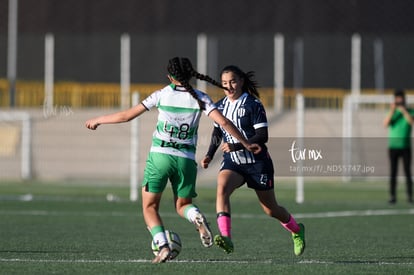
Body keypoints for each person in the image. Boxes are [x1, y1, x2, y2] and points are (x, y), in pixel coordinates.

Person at [85, 57, 260, 263]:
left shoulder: (162, 94)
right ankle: (195, 216)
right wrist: (246, 143)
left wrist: (98, 120)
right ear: (191, 74)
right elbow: (224, 122)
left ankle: (163, 245)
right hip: (185, 160)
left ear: (169, 76)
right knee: (183, 204)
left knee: (150, 207)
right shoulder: (201, 97)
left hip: (160, 157)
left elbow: (127, 116)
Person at [200, 65, 306, 256]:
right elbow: (218, 131)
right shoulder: (220, 106)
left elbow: (262, 135)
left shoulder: (253, 104)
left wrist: (238, 145)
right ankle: (226, 238)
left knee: (271, 209)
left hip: (258, 163)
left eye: (232, 81)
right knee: (222, 187)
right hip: (233, 162)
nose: (229, 86)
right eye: (224, 83)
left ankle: (297, 230)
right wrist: (209, 154)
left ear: (241, 81)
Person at [383, 89, 414, 204]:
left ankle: (410, 196)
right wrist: (392, 111)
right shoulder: (392, 112)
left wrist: (404, 111)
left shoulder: (410, 111)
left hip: (406, 146)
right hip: (393, 147)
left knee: (407, 172)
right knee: (393, 172)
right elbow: (385, 124)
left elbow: (411, 122)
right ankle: (392, 196)